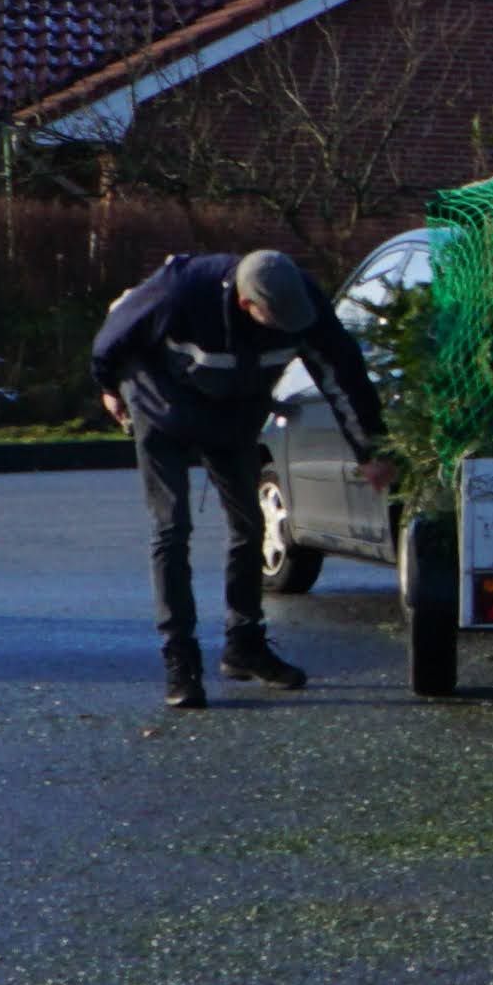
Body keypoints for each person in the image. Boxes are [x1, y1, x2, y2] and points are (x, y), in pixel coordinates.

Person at [89, 245, 391, 710]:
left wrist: (370, 450)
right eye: (276, 323)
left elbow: (342, 373)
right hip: (160, 405)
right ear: (247, 304)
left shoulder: (302, 303)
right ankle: (180, 660)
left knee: (251, 525)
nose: (287, 331)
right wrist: (109, 387)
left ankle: (244, 645)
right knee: (172, 528)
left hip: (234, 414)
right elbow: (113, 335)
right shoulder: (183, 289)